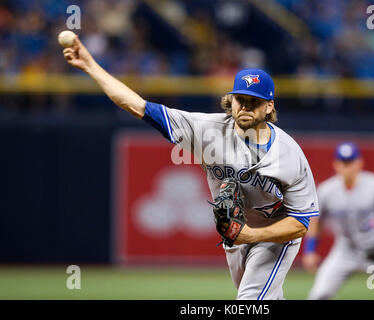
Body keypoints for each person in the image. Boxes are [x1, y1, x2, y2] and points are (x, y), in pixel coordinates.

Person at [62, 35, 319, 300]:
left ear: (269, 107)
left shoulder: (289, 155)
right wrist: (90, 65)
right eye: (240, 99)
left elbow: (300, 223)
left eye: (254, 101)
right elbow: (136, 105)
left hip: (275, 237)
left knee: (250, 301)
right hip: (235, 236)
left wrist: (253, 235)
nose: (245, 106)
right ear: (230, 101)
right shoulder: (207, 130)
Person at [302, 142, 374, 300]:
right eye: (343, 162)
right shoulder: (327, 190)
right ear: (336, 165)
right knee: (319, 294)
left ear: (359, 163)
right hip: (344, 250)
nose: (347, 167)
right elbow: (316, 222)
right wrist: (310, 251)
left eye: (351, 162)